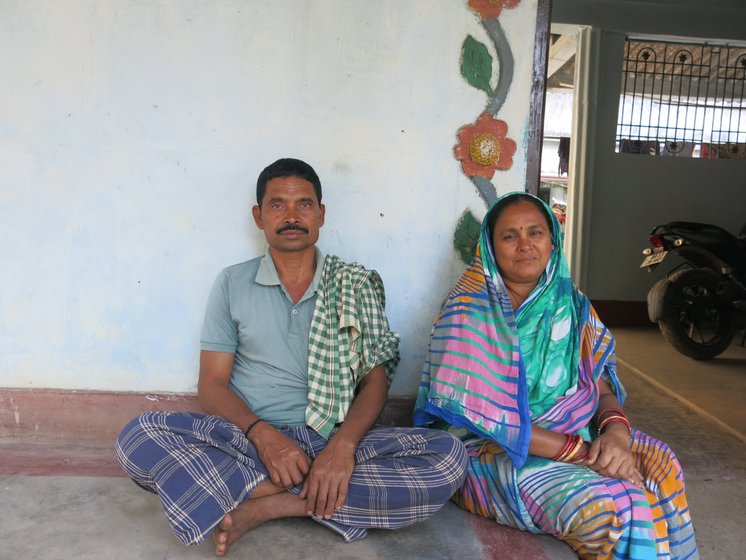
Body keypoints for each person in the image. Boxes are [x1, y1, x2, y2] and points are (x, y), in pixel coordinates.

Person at [116, 158, 467, 557]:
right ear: (258, 216)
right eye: (277, 205)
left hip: (334, 435)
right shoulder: (232, 283)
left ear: (321, 215)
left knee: (449, 458)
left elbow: (375, 380)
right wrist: (264, 438)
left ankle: (268, 504)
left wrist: (341, 450)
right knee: (137, 437)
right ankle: (316, 497)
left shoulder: (352, 283)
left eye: (304, 204)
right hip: (250, 441)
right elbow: (212, 385)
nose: (292, 216)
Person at [414, 192, 698, 559]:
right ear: (491, 246)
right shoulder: (469, 311)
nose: (525, 245)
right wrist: (586, 454)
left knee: (662, 465)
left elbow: (598, 386)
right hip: (489, 451)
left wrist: (616, 435)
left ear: (552, 240)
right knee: (619, 506)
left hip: (577, 434)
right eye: (509, 235)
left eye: (535, 232)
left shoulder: (571, 303)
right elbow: (489, 423)